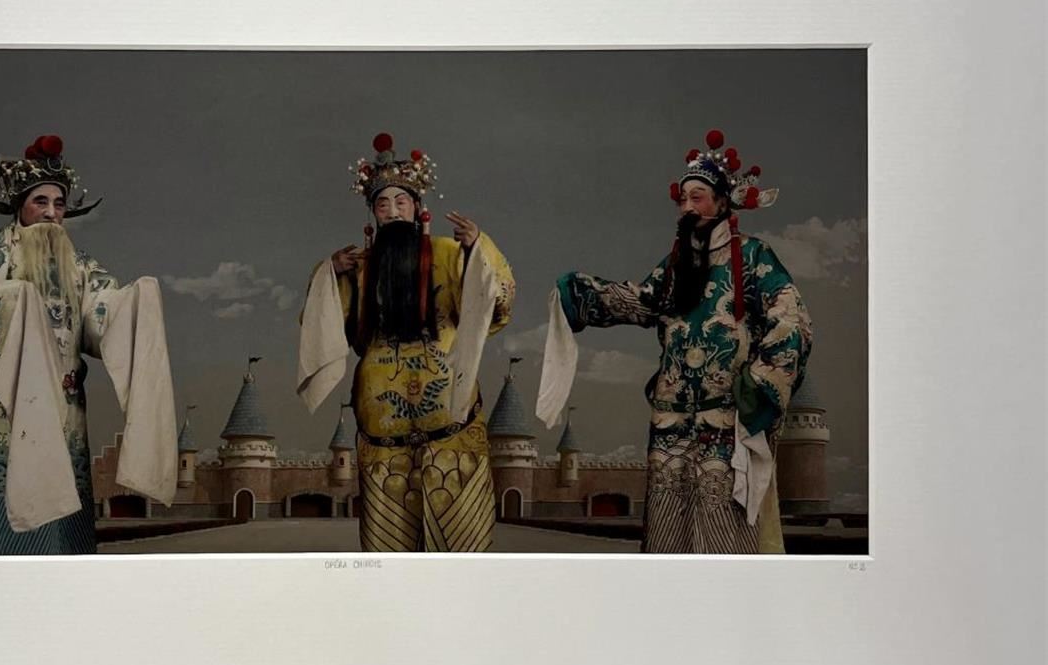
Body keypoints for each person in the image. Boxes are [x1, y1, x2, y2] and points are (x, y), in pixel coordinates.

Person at [538, 128, 812, 553]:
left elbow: (792, 320)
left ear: (722, 202)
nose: (687, 207)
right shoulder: (675, 266)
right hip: (671, 422)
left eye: (697, 197)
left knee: (722, 534)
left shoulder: (754, 257)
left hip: (726, 419)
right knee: (667, 531)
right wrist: (582, 292)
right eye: (683, 199)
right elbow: (642, 301)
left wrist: (759, 384)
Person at [0, 134, 177, 554]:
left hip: (64, 415)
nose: (50, 212)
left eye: (59, 204)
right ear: (20, 205)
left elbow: (99, 315)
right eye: (40, 202)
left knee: (60, 531)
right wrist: (13, 303)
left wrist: (133, 306)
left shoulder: (78, 265)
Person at [297, 133, 514, 552]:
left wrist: (477, 251)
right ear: (373, 214)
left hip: (450, 418)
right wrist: (330, 273)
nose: (393, 211)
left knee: (463, 551)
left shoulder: (449, 253)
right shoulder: (357, 266)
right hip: (381, 423)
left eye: (401, 202)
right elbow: (325, 329)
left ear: (417, 207)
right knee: (388, 557)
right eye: (383, 205)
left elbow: (495, 306)